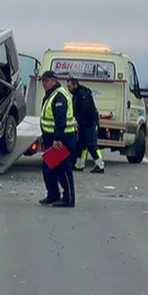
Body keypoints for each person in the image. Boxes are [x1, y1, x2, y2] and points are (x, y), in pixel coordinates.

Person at [38, 71, 78, 208]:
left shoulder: (59, 96)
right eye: (43, 81)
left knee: (63, 169)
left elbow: (60, 120)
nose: (44, 83)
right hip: (52, 138)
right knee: (49, 168)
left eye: (47, 81)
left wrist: (57, 139)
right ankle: (53, 195)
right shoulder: (51, 95)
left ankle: (68, 199)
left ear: (54, 81)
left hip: (62, 139)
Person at [66, 77, 104, 173]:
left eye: (69, 86)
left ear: (75, 85)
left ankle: (100, 165)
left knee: (91, 145)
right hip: (82, 124)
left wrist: (81, 120)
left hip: (89, 123)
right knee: (81, 145)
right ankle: (79, 164)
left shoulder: (83, 94)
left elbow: (86, 110)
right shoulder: (76, 95)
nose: (68, 89)